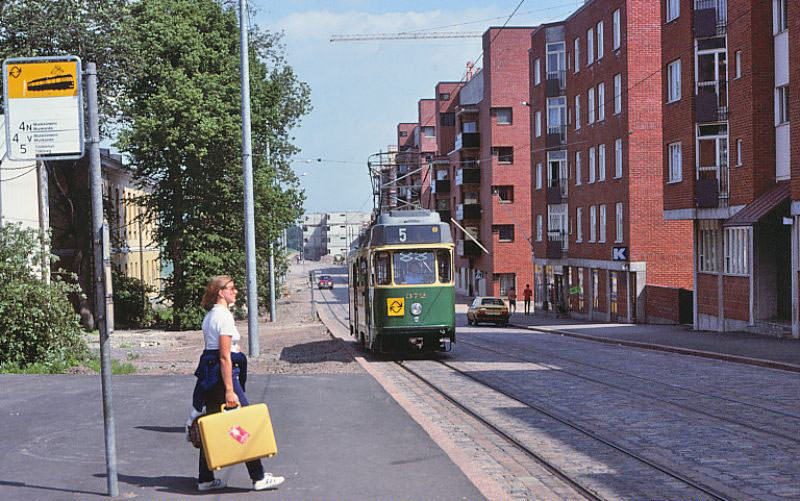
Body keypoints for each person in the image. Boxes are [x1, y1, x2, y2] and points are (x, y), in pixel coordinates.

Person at [189, 275, 285, 492]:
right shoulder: (224, 317)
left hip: (212, 378)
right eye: (231, 288)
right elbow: (224, 357)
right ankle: (258, 477)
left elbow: (219, 350)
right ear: (220, 292)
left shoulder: (211, 315)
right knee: (246, 422)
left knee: (211, 426)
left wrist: (234, 350)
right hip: (224, 378)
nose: (236, 292)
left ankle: (205, 478)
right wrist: (230, 390)